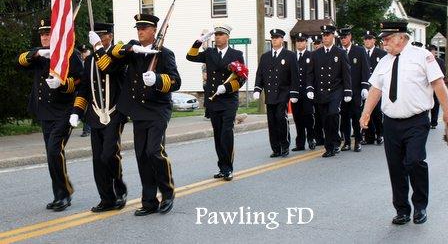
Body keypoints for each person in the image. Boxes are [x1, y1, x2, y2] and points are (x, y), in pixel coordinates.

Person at [360, 21, 448, 225]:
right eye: (383, 39)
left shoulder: (422, 57)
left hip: (416, 121)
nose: (383, 43)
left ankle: (420, 206)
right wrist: (366, 113)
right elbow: (375, 89)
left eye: (387, 39)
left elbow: (438, 84)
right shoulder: (384, 62)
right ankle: (402, 209)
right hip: (391, 123)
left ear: (400, 37)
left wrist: (447, 111)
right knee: (395, 167)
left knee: (414, 161)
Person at [100, 14, 181, 216]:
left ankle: (168, 193)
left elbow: (175, 81)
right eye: (138, 28)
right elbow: (114, 54)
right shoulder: (134, 52)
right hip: (138, 111)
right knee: (142, 156)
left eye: (144, 28)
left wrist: (158, 79)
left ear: (154, 31)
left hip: (157, 110)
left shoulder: (165, 54)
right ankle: (149, 201)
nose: (140, 31)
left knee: (154, 151)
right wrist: (133, 47)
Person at [17, 18, 83, 211]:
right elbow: (19, 61)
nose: (44, 37)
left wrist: (63, 83)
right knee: (51, 154)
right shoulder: (39, 54)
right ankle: (59, 195)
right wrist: (37, 53)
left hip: (64, 111)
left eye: (48, 34)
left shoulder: (69, 54)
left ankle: (65, 192)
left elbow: (81, 79)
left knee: (55, 150)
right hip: (45, 112)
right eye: (42, 34)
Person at [69, 23, 128, 212]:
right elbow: (84, 88)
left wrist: (97, 48)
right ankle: (106, 198)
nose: (98, 39)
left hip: (114, 113)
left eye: (101, 36)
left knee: (109, 154)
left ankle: (120, 189)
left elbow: (109, 68)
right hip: (95, 114)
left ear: (109, 36)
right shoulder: (90, 61)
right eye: (96, 36)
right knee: (98, 160)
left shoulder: (118, 55)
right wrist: (76, 112)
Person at [186, 24, 246, 181]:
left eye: (220, 34)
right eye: (216, 34)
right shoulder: (209, 53)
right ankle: (222, 167)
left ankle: (228, 168)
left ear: (227, 37)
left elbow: (242, 78)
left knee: (227, 133)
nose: (217, 37)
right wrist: (198, 42)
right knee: (218, 134)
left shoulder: (236, 54)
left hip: (228, 100)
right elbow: (190, 56)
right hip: (213, 100)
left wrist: (226, 87)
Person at [306, 25, 352, 158]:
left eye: (328, 35)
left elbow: (346, 73)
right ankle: (329, 146)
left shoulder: (340, 53)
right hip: (321, 91)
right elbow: (310, 74)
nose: (325, 37)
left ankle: (335, 142)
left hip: (335, 90)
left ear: (333, 36)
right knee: (325, 119)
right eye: (323, 35)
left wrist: (348, 91)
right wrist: (310, 88)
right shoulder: (316, 54)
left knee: (333, 113)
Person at [253, 29, 299, 158]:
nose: (274, 40)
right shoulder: (265, 56)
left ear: (282, 40)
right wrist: (257, 89)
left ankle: (284, 145)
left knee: (281, 119)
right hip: (270, 95)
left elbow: (294, 76)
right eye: (273, 38)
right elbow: (260, 74)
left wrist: (294, 93)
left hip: (283, 94)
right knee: (272, 122)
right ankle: (276, 148)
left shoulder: (289, 55)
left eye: (277, 38)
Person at [338, 28, 370, 152]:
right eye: (341, 38)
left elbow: (365, 70)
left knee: (356, 117)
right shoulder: (339, 51)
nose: (343, 39)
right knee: (344, 117)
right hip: (342, 91)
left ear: (350, 37)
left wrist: (365, 87)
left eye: (345, 37)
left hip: (356, 90)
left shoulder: (359, 51)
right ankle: (346, 142)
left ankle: (357, 141)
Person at [291, 33, 315, 151]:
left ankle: (311, 138)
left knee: (308, 117)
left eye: (302, 41)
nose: (299, 43)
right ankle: (300, 143)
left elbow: (314, 74)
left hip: (307, 92)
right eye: (298, 41)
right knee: (297, 118)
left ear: (306, 42)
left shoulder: (311, 55)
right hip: (295, 93)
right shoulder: (291, 56)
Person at [363, 30, 387, 145]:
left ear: (374, 40)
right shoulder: (361, 52)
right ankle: (369, 136)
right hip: (364, 86)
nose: (367, 41)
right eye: (366, 39)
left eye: (370, 38)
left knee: (376, 112)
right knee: (366, 111)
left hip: (377, 87)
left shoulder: (381, 54)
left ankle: (380, 133)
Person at [426, 44, 446, 129]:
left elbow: (443, 73)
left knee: (435, 104)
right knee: (425, 104)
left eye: (433, 52)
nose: (432, 53)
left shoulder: (440, 61)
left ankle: (433, 122)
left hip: (435, 85)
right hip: (426, 86)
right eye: (430, 51)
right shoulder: (425, 61)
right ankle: (426, 121)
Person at [78, 44, 92, 137]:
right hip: (79, 89)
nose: (84, 54)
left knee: (87, 110)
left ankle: (86, 130)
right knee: (81, 111)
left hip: (88, 89)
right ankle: (88, 126)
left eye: (85, 51)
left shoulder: (90, 61)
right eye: (82, 52)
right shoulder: (79, 62)